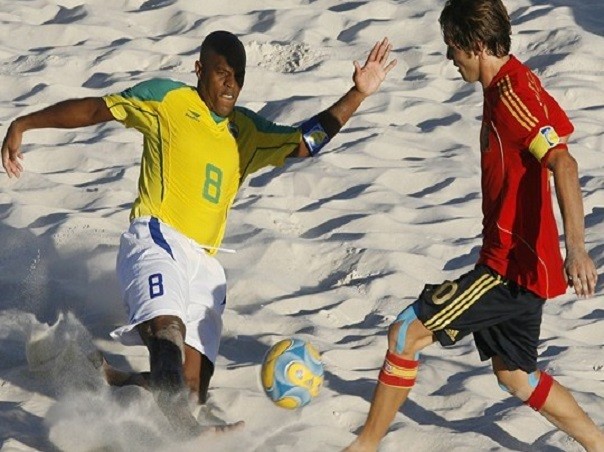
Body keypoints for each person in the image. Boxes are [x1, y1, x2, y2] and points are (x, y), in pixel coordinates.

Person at [2, 31, 396, 437]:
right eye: (222, 73)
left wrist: (358, 93)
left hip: (205, 265)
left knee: (186, 392)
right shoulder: (169, 100)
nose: (231, 84)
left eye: (238, 77)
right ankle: (185, 436)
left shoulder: (246, 131)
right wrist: (25, 123)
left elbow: (305, 142)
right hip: (156, 239)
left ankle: (108, 376)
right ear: (199, 69)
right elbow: (94, 111)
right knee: (166, 337)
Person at [345, 1, 604, 451]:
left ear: (478, 45)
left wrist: (577, 249)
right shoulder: (512, 83)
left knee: (404, 334)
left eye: (454, 48)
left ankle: (364, 446)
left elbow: (563, 161)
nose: (451, 58)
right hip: (526, 269)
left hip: (507, 267)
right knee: (515, 376)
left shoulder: (512, 97)